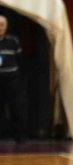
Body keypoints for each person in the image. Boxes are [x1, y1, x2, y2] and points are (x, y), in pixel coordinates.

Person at [0, 15, 24, 143]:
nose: (0, 27)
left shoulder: (13, 40)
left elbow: (20, 58)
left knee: (16, 107)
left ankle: (19, 136)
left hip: (11, 79)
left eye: (2, 25)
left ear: (6, 26)